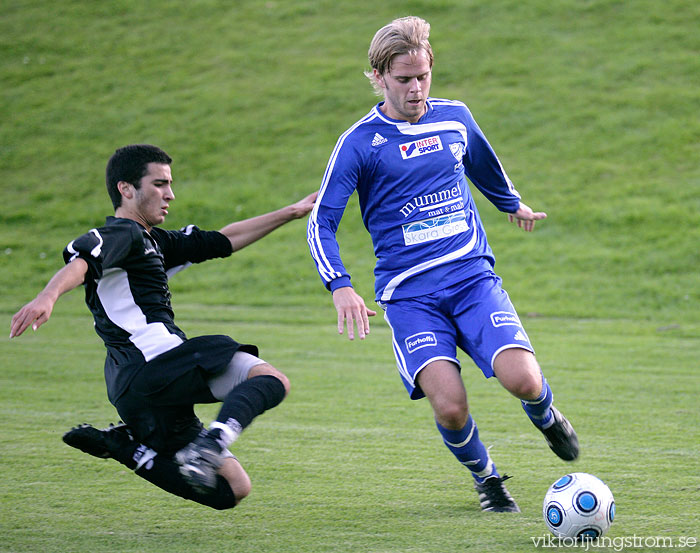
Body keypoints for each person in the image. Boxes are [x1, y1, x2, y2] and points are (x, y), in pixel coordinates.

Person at [307, 16, 579, 513]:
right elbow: (321, 220)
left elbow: (481, 162)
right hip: (411, 297)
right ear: (378, 77)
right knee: (451, 406)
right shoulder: (359, 143)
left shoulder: (454, 117)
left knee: (525, 380)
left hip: (472, 278)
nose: (415, 89)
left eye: (423, 76)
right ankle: (488, 479)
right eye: (403, 79)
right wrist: (339, 284)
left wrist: (510, 203)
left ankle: (546, 415)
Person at [10, 144, 316, 510]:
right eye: (159, 183)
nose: (170, 193)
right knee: (270, 380)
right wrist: (48, 295)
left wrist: (293, 212)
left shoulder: (153, 242)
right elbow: (82, 261)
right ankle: (212, 443)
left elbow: (224, 240)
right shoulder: (123, 234)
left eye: (169, 184)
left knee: (232, 489)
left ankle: (125, 447)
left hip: (132, 387)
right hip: (156, 362)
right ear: (126, 189)